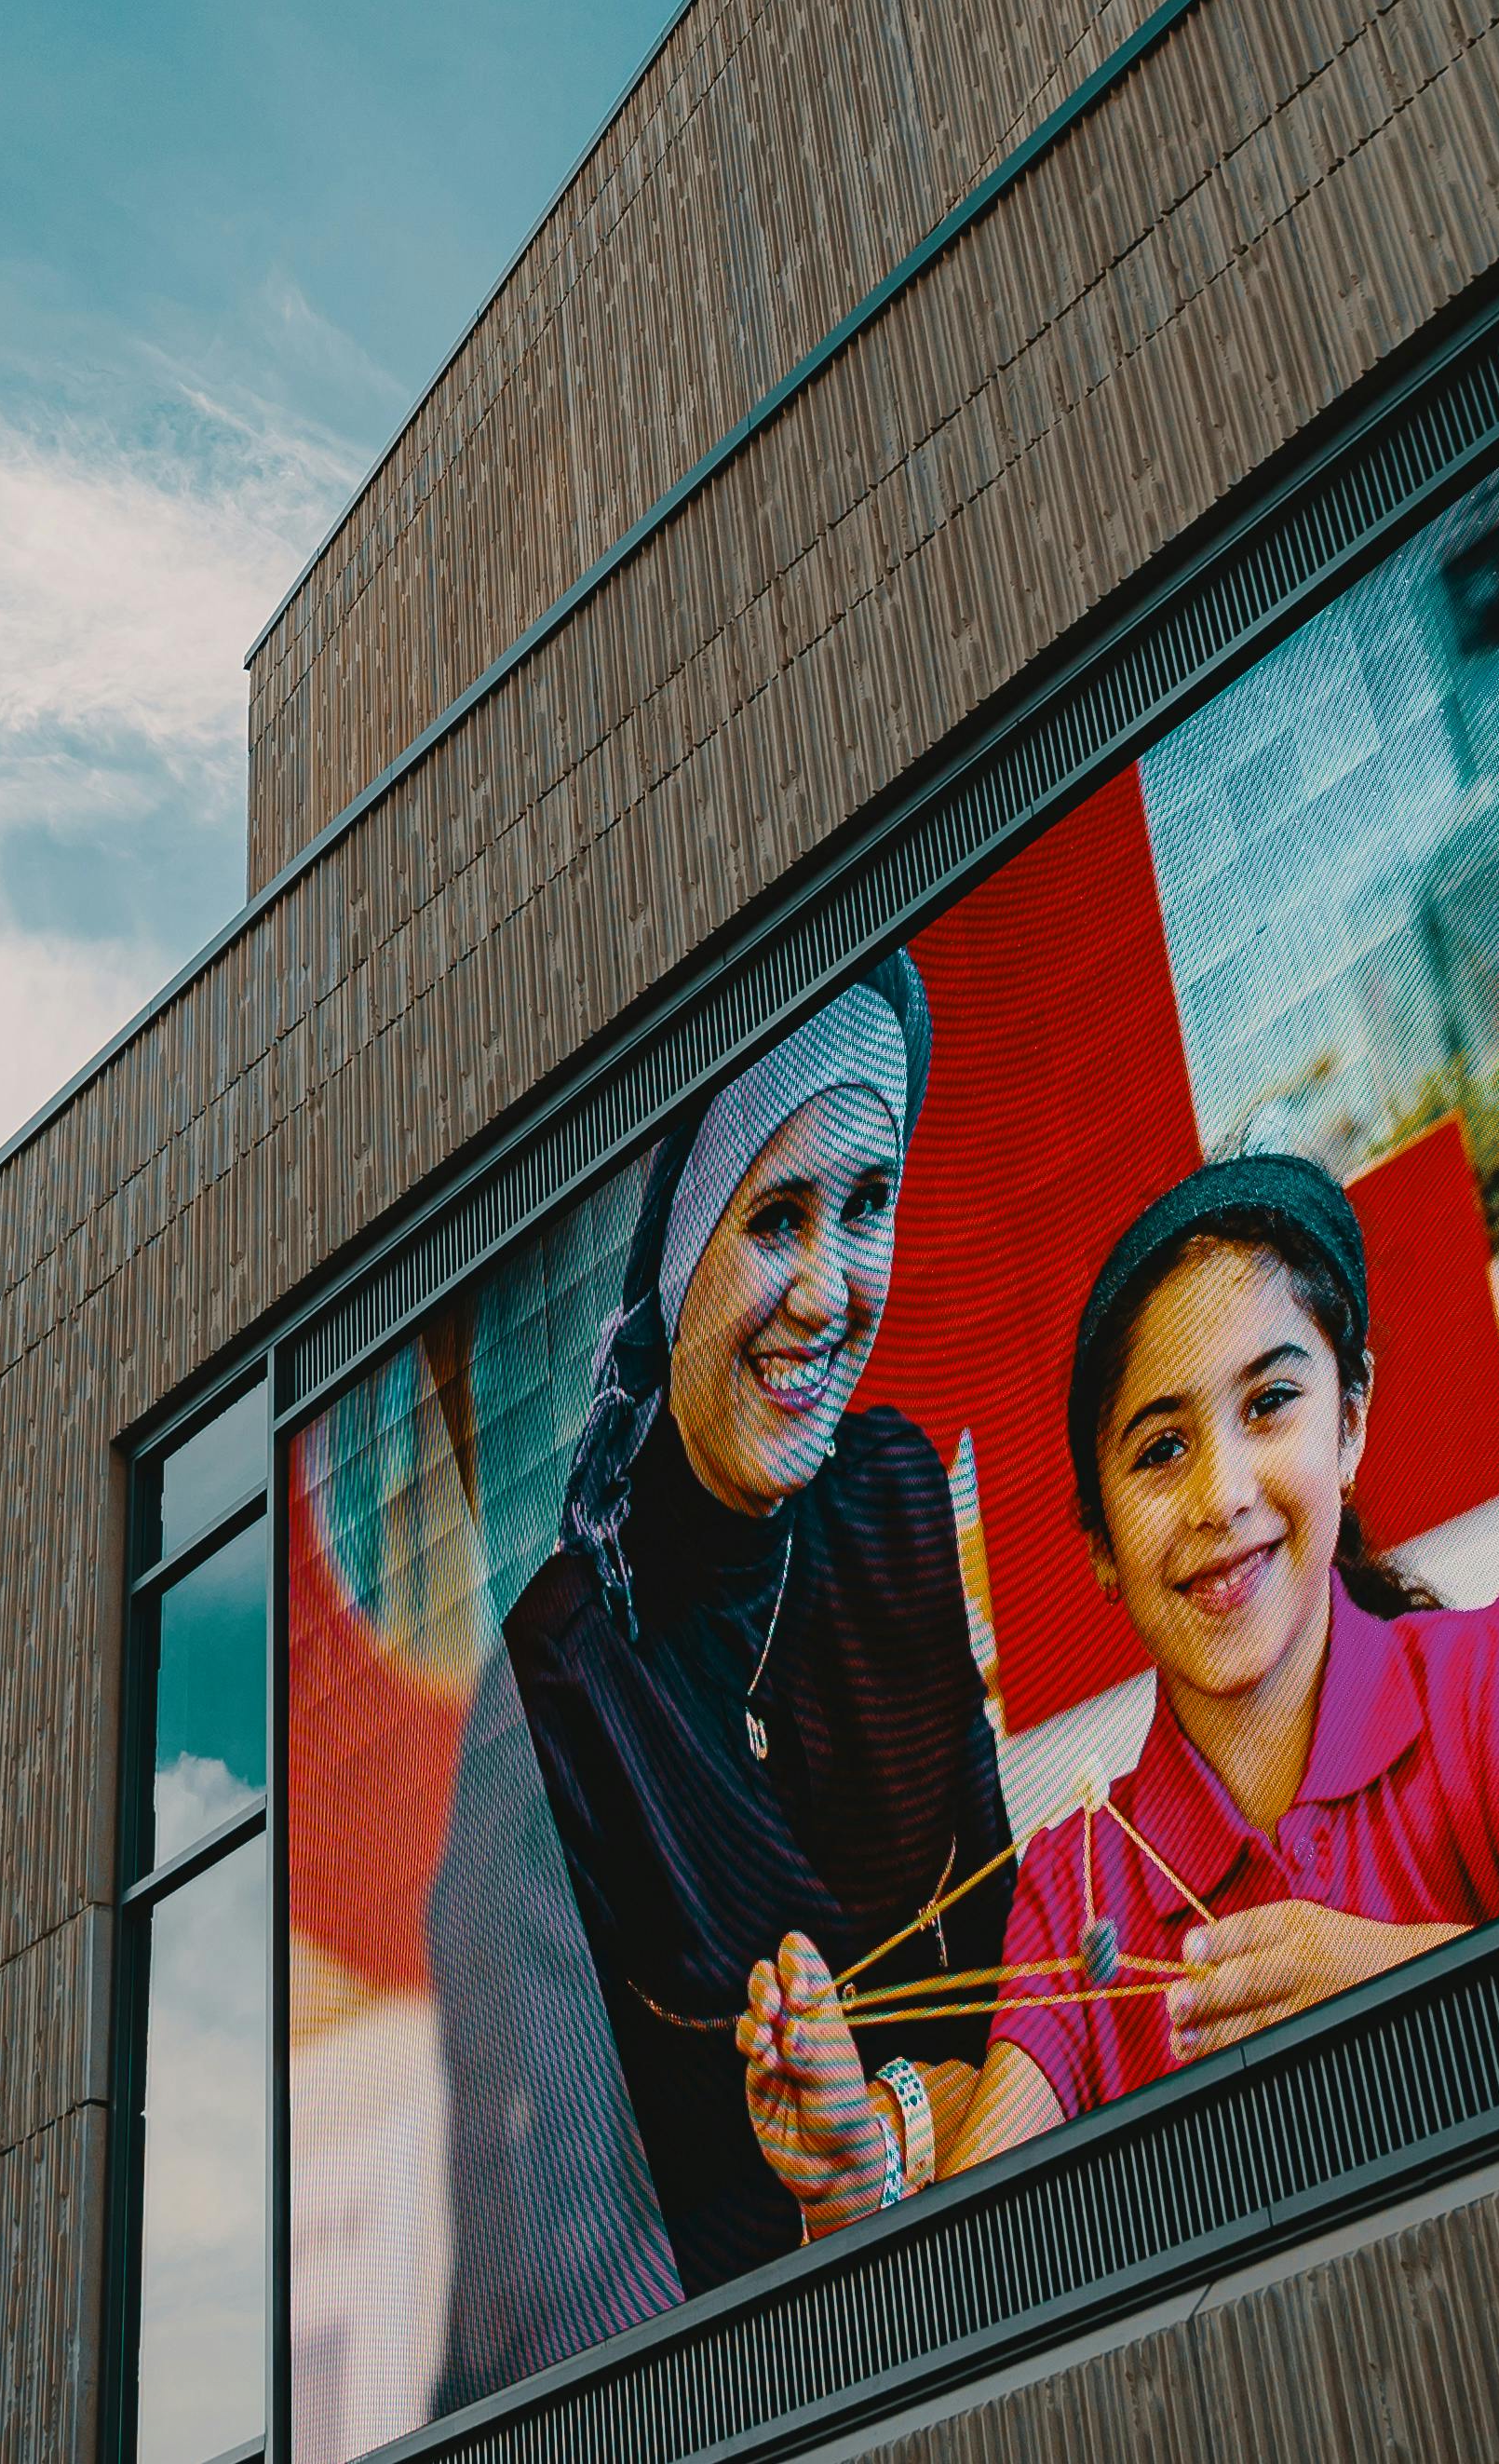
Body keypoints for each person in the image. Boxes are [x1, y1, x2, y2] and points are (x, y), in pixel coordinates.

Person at [736, 1151, 1499, 2226]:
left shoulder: (1492, 1683)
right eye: (1162, 1448)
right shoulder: (1075, 1885)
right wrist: (863, 2178)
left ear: (1350, 1422)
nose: (1220, 1494)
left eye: (1270, 1402)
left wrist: (1398, 1982)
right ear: (1101, 1548)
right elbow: (974, 2248)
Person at [485, 953, 1010, 2302]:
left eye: (869, 1203)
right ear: (669, 1253)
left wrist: (885, 2151)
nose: (832, 1294)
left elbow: (1004, 1977)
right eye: (777, 1216)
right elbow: (584, 2262)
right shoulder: (560, 1681)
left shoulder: (892, 1497)